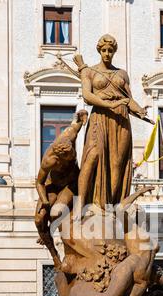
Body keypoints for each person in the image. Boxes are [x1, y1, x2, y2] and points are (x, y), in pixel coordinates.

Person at [74, 34, 148, 213]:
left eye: (110, 51)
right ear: (99, 51)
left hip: (121, 121)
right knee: (92, 158)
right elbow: (87, 95)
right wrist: (109, 104)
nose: (107, 54)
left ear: (114, 52)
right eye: (104, 50)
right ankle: (83, 204)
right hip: (100, 117)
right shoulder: (89, 71)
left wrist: (139, 110)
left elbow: (128, 99)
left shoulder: (122, 73)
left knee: (117, 163)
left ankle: (111, 207)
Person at [35, 110, 88, 267]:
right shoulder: (49, 161)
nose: (69, 163)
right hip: (52, 184)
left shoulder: (69, 137)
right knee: (39, 219)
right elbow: (39, 183)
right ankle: (54, 256)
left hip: (71, 184)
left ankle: (49, 231)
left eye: (71, 158)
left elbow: (76, 122)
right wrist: (44, 200)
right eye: (66, 161)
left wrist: (82, 116)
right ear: (58, 159)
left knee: (56, 212)